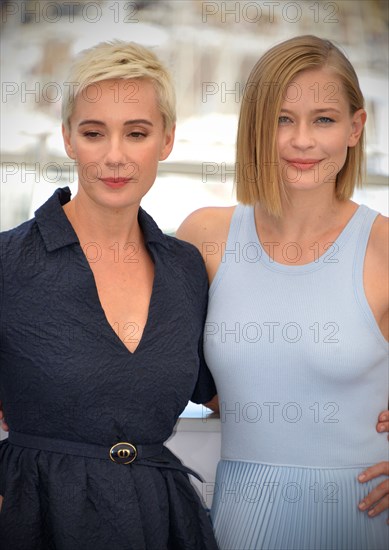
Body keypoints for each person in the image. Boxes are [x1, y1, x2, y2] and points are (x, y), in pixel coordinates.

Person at [0, 41, 218, 550]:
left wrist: (366, 413)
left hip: (162, 522)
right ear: (68, 140)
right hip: (34, 518)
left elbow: (228, 392)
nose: (115, 156)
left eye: (136, 133)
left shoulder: (186, 268)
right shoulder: (7, 262)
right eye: (94, 133)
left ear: (165, 140)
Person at [177, 35, 388, 549]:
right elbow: (135, 343)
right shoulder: (206, 235)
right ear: (255, 127)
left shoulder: (384, 245)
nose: (302, 141)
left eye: (324, 119)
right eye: (281, 119)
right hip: (239, 519)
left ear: (355, 128)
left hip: (359, 514)